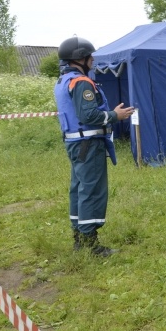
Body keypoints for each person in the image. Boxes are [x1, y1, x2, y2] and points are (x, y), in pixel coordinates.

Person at [54, 36, 134, 256]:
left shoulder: (64, 81)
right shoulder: (81, 83)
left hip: (75, 143)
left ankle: (79, 238)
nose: (93, 59)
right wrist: (114, 115)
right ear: (80, 58)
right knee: (92, 191)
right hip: (88, 144)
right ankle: (91, 245)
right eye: (90, 56)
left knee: (78, 190)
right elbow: (88, 115)